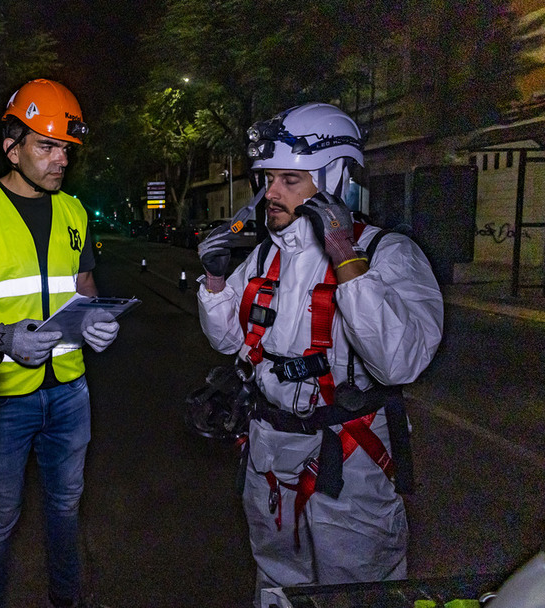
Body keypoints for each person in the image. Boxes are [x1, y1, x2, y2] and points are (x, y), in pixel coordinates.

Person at [196, 103, 443, 605]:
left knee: (355, 586)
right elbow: (228, 342)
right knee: (277, 580)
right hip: (269, 451)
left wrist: (346, 259)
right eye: (268, 178)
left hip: (348, 459)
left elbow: (400, 363)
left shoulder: (387, 254)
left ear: (336, 181)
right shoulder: (267, 253)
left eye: (290, 179)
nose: (272, 193)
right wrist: (217, 281)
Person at [0, 79, 120, 608]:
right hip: (4, 397)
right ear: (11, 145)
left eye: (66, 149)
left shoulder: (75, 212)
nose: (60, 160)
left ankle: (68, 599)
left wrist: (97, 321)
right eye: (46, 145)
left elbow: (83, 289)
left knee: (66, 506)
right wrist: (2, 337)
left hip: (70, 390)